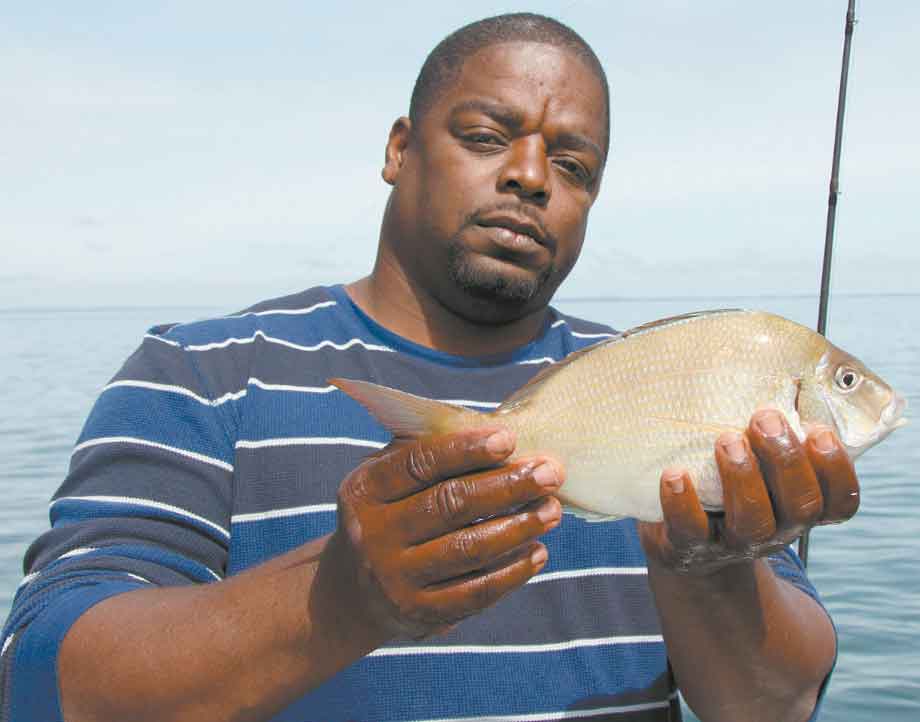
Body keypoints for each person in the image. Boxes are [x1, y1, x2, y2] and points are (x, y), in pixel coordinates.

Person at [0, 13, 857, 722]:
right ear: (400, 148)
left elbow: (773, 705)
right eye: (487, 136)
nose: (529, 177)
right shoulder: (202, 374)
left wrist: (703, 568)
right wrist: (339, 600)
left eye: (573, 165)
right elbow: (42, 684)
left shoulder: (653, 382)